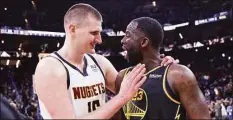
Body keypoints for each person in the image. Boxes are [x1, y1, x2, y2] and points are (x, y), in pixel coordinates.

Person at [34, 3, 176, 119]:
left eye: (99, 33)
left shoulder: (100, 62)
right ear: (72, 29)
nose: (99, 40)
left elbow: (136, 88)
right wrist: (120, 98)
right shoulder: (49, 68)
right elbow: (123, 95)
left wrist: (160, 65)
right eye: (94, 33)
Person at [115, 17, 210, 119]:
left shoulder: (178, 75)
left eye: (128, 35)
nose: (123, 40)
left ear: (144, 42)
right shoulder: (122, 77)